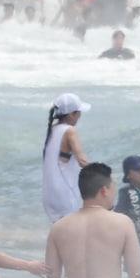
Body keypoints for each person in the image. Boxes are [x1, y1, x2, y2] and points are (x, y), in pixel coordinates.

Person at [46, 163, 140, 278]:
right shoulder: (123, 223)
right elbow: (136, 274)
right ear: (104, 191)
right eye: (113, 188)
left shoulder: (59, 227)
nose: (114, 194)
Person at [42, 93, 90, 223]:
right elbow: (82, 161)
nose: (80, 116)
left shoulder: (52, 129)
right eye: (78, 112)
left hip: (50, 195)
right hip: (65, 194)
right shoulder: (70, 131)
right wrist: (102, 175)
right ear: (71, 114)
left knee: (61, 235)